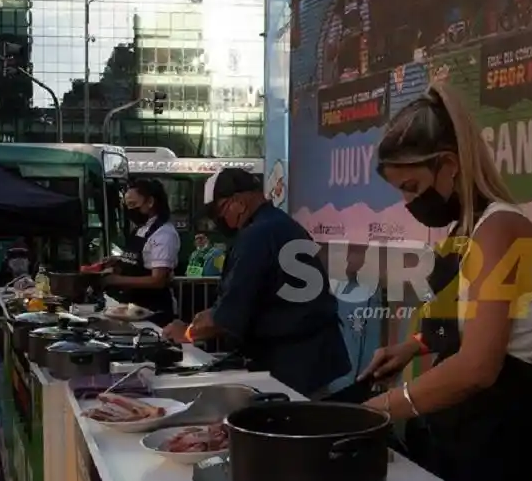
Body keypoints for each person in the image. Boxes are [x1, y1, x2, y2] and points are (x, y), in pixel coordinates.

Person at [358, 82, 532, 481]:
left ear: (449, 165)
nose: (408, 203)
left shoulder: (503, 231)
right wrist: (413, 347)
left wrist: (381, 409)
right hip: (458, 424)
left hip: (495, 429)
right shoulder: (467, 231)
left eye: (412, 187)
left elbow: (480, 365)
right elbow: (465, 321)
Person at [162, 168, 351, 396]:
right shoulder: (281, 225)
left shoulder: (256, 236)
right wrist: (213, 313)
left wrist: (187, 332)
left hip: (292, 365)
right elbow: (264, 293)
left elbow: (229, 315)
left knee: (295, 425)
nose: (219, 221)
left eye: (219, 212)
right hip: (313, 357)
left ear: (239, 202)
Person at [104, 178, 180, 327]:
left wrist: (115, 280)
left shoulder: (164, 234)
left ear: (150, 202)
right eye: (127, 206)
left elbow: (158, 280)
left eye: (133, 205)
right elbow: (140, 259)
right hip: (132, 310)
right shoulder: (140, 229)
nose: (130, 211)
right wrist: (119, 260)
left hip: (153, 313)